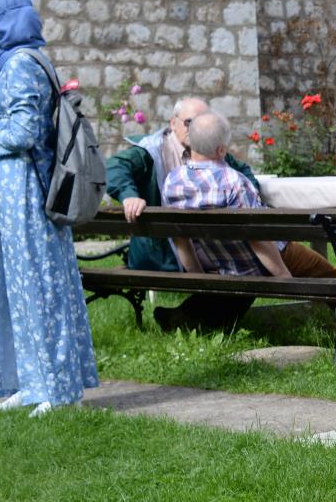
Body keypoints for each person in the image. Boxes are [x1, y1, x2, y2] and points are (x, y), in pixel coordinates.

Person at [0, 0, 99, 417]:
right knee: (20, 289)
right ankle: (31, 381)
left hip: (28, 191)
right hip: (16, 193)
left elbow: (26, 133)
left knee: (40, 287)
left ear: (2, 19)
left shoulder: (23, 65)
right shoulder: (21, 61)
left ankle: (57, 388)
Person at [106, 94, 264, 332]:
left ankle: (186, 319)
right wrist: (129, 195)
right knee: (250, 263)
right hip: (163, 253)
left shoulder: (211, 149)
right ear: (173, 123)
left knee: (245, 261)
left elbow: (245, 175)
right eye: (190, 122)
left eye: (203, 121)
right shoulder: (150, 151)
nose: (197, 127)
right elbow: (114, 168)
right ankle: (190, 320)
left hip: (206, 247)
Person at [160, 110, 336, 281]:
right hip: (263, 263)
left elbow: (181, 241)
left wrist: (200, 280)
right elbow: (258, 238)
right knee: (326, 273)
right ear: (221, 150)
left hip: (228, 265)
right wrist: (284, 277)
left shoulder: (173, 181)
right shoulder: (233, 181)